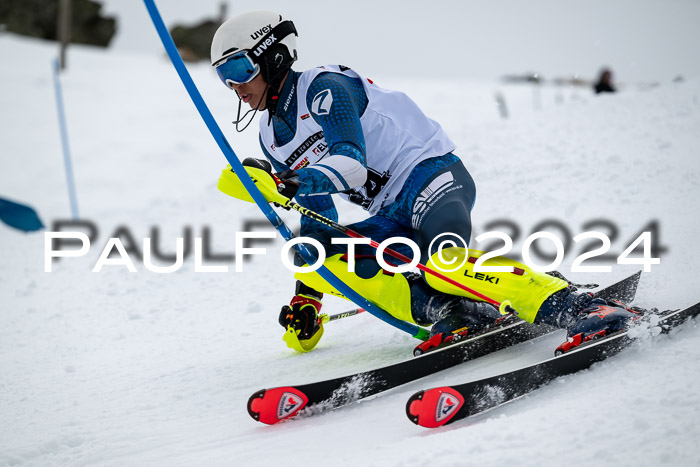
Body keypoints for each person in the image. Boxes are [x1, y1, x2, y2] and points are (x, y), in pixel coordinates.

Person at [212, 11, 641, 353]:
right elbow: (318, 218)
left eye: (238, 67)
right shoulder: (272, 138)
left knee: (441, 263)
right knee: (318, 254)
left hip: (430, 176)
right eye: (222, 76)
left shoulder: (324, 87)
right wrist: (309, 295)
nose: (233, 86)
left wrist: (288, 184)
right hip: (390, 213)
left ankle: (585, 307)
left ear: (272, 56)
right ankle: (452, 311)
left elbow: (352, 165)